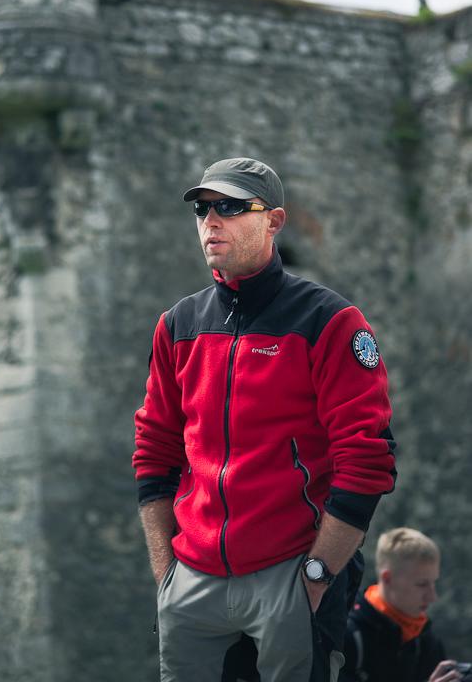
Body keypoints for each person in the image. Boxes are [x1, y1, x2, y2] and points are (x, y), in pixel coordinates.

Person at [132, 157, 397, 682]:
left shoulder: (330, 321)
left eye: (230, 207)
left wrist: (317, 574)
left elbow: (368, 459)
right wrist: (166, 576)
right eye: (204, 209)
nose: (212, 221)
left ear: (274, 220)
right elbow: (154, 451)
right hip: (193, 582)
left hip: (291, 573)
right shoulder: (178, 325)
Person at [340, 527, 465, 682]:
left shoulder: (426, 640)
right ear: (388, 579)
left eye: (433, 583)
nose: (433, 597)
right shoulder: (347, 635)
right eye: (422, 584)